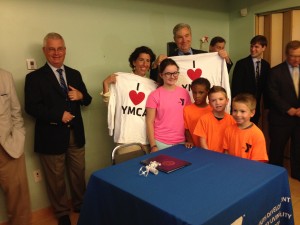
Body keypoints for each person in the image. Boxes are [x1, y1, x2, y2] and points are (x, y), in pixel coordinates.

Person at [25, 32, 92, 225]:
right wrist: (57, 115)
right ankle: (62, 212)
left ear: (65, 50)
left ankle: (80, 204)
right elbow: (31, 107)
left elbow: (87, 100)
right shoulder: (34, 78)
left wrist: (81, 96)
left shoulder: (74, 73)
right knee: (55, 179)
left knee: (79, 173)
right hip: (51, 135)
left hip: (76, 134)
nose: (56, 53)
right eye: (52, 49)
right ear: (44, 51)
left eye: (60, 48)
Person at [101, 46, 157, 150]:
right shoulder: (120, 80)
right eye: (141, 60)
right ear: (134, 62)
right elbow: (109, 105)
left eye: (148, 61)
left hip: (145, 139)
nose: (145, 64)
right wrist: (105, 84)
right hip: (124, 139)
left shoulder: (154, 86)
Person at [0, 68, 31, 225]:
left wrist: (18, 137)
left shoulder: (5, 76)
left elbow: (15, 111)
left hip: (8, 146)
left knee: (18, 199)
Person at [267, 40, 300, 181]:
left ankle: (297, 173)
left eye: (299, 55)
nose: (296, 59)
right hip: (280, 119)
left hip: (299, 119)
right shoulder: (275, 72)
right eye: (293, 56)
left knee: (298, 149)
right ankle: (275, 177)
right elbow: (272, 95)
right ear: (286, 54)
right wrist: (289, 109)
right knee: (277, 149)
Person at [146, 58, 191, 152]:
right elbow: (149, 122)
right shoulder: (154, 95)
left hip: (181, 143)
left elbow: (188, 119)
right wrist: (153, 145)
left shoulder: (185, 93)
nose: (172, 76)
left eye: (175, 73)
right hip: (160, 143)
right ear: (161, 75)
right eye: (168, 74)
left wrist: (189, 139)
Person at [231, 35, 270, 124]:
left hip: (255, 109)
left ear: (264, 48)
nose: (253, 49)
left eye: (256, 47)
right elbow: (235, 88)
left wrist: (267, 108)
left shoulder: (266, 65)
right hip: (241, 109)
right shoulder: (241, 64)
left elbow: (266, 88)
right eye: (251, 46)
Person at [223, 93, 268, 162]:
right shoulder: (228, 130)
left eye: (242, 111)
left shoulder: (257, 135)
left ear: (252, 113)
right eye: (235, 110)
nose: (238, 114)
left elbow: (257, 162)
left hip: (248, 170)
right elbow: (226, 152)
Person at [194, 86, 235, 153]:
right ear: (209, 103)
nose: (218, 103)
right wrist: (210, 155)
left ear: (227, 101)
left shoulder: (232, 120)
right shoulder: (204, 119)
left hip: (225, 157)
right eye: (213, 100)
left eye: (221, 99)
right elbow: (202, 142)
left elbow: (232, 142)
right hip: (208, 155)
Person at [184, 78, 211, 148]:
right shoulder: (187, 109)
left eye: (201, 92)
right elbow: (186, 129)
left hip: (210, 148)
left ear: (207, 92)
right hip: (194, 149)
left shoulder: (213, 110)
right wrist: (190, 141)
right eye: (194, 92)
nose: (197, 96)